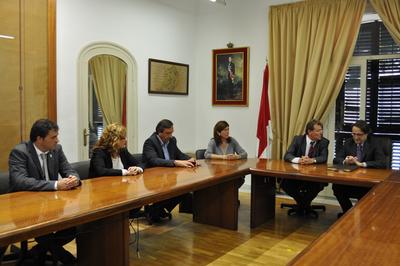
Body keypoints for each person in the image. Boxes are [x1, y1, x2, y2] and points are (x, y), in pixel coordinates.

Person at [8, 119, 80, 265]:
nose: (57, 140)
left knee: (75, 226)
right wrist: (55, 185)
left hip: (51, 205)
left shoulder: (56, 149)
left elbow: (68, 169)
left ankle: (36, 252)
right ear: (39, 139)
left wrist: (74, 178)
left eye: (57, 136)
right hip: (24, 208)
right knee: (43, 231)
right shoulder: (20, 152)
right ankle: (69, 260)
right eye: (53, 137)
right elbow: (20, 181)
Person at [142, 119, 195, 222]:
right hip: (153, 179)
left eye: (172, 132)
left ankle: (158, 210)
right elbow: (154, 160)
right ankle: (155, 211)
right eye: (168, 133)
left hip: (168, 176)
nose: (170, 136)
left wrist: (190, 159)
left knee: (184, 189)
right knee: (179, 191)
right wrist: (175, 162)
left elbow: (179, 154)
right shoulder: (150, 142)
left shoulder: (172, 140)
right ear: (159, 132)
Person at [332, 120, 386, 217]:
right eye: (354, 134)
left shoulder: (374, 143)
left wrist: (361, 164)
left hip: (367, 181)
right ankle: (348, 213)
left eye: (359, 134)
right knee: (337, 187)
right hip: (351, 179)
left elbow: (382, 163)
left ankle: (364, 216)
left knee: (364, 192)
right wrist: (346, 161)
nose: (356, 137)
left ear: (366, 134)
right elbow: (336, 159)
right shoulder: (349, 142)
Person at [282, 119, 329, 217]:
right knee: (285, 184)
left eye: (321, 130)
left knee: (316, 185)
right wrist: (299, 160)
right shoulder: (298, 139)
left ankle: (302, 205)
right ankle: (305, 205)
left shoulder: (324, 142)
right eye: (318, 130)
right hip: (297, 174)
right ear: (309, 131)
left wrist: (312, 160)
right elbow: (287, 155)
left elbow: (323, 158)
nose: (321, 132)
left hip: (315, 175)